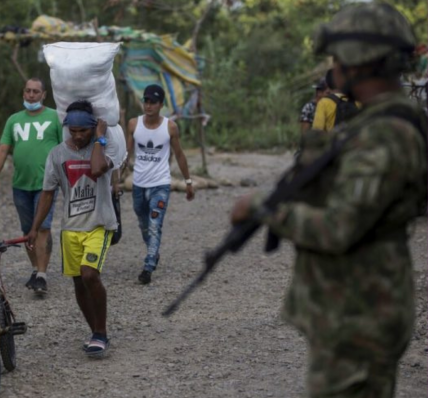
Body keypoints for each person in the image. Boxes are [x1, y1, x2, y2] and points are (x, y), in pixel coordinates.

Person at [230, 4, 426, 397]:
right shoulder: (380, 122)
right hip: (357, 307)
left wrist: (263, 208)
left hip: (359, 317)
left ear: (358, 60)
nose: (334, 68)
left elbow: (338, 227)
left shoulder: (386, 133)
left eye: (337, 58)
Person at [27, 100, 117, 358]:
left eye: (83, 131)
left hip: (99, 224)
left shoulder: (107, 146)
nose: (78, 136)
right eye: (73, 131)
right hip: (71, 228)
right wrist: (35, 228)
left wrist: (98, 139)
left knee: (90, 275)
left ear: (93, 127)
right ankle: (96, 333)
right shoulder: (57, 154)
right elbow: (47, 194)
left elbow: (98, 169)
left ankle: (101, 332)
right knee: (78, 282)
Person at [0, 78, 62, 295]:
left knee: (43, 227)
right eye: (28, 91)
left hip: (46, 184)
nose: (31, 95)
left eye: (36, 92)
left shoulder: (55, 117)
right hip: (20, 184)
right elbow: (3, 148)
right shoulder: (14, 120)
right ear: (23, 93)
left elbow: (64, 148)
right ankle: (34, 268)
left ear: (43, 95)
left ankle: (42, 275)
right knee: (27, 230)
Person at [126, 84, 195, 285]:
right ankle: (153, 252)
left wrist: (188, 182)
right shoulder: (133, 124)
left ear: (161, 105)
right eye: (146, 101)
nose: (148, 106)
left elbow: (180, 154)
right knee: (144, 224)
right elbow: (126, 154)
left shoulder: (170, 127)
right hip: (138, 184)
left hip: (161, 185)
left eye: (153, 102)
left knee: (155, 224)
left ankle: (148, 266)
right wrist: (116, 180)